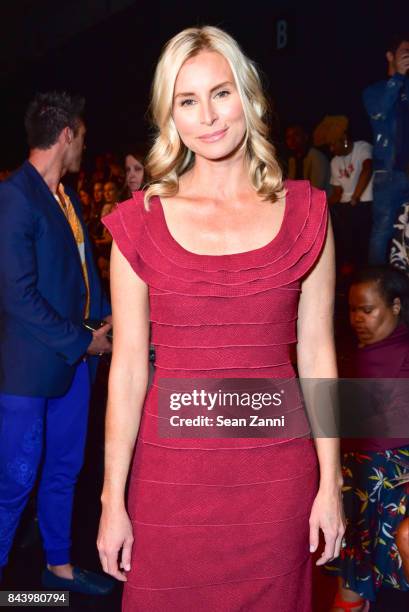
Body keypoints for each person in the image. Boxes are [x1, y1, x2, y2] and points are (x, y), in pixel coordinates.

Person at [97, 26, 344, 611]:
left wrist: (330, 481)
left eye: (221, 93)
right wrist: (112, 499)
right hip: (171, 484)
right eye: (187, 100)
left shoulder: (307, 214)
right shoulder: (140, 223)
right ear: (170, 116)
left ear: (248, 97)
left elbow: (318, 355)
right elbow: (128, 370)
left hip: (276, 485)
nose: (207, 116)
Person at [0, 91, 113, 594]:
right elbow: (17, 295)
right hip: (29, 370)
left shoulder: (64, 196)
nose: (84, 148)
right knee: (14, 483)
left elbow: (82, 277)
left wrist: (109, 324)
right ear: (66, 135)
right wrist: (83, 342)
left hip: (73, 366)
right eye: (82, 138)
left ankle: (58, 570)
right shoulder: (14, 195)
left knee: (65, 469)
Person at [326, 266, 409, 611]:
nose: (358, 318)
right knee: (351, 581)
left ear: (395, 306)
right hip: (351, 477)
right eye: (352, 309)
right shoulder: (341, 353)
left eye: (368, 309)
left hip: (393, 481)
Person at [364, 34, 409, 265]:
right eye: (404, 51)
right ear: (390, 56)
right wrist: (398, 76)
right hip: (388, 174)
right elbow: (378, 111)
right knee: (382, 229)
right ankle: (375, 284)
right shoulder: (376, 90)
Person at [315, 115, 373, 276]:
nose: (331, 149)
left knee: (359, 236)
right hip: (347, 206)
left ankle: (362, 269)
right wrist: (321, 206)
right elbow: (337, 192)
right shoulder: (335, 162)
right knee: (339, 229)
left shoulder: (362, 147)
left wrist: (355, 196)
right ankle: (348, 270)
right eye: (329, 146)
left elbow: (367, 169)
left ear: (344, 139)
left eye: (333, 144)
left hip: (364, 201)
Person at [285, 123, 330, 193]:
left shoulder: (317, 157)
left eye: (296, 135)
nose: (292, 140)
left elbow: (316, 189)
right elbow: (290, 187)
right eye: (288, 137)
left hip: (322, 201)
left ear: (305, 137)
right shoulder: (292, 160)